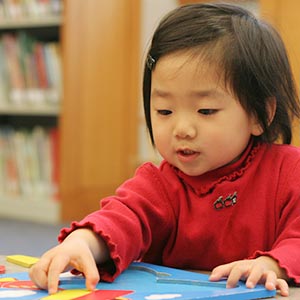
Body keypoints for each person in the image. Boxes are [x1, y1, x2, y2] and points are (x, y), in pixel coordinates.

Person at [30, 2, 300, 297]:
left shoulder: (288, 171)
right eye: (164, 111)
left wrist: (272, 264)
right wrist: (81, 242)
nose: (182, 128)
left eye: (206, 110)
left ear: (260, 114)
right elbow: (123, 218)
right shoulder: (159, 184)